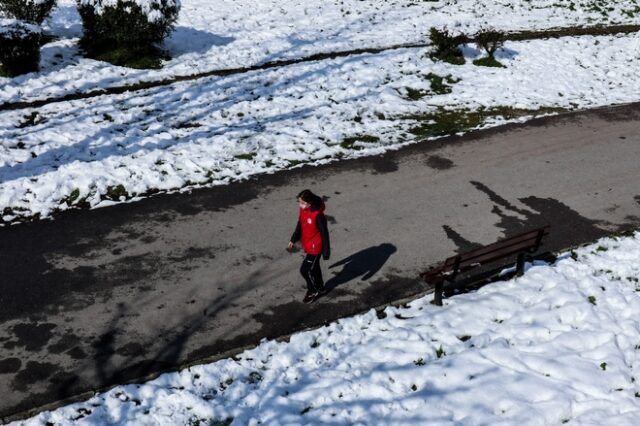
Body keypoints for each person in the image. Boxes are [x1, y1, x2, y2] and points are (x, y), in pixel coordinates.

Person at [288, 189, 330, 303]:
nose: (300, 205)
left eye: (302, 202)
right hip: (308, 243)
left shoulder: (318, 215)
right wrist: (293, 238)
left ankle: (312, 290)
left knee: (305, 270)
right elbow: (300, 224)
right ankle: (321, 288)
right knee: (315, 268)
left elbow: (325, 234)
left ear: (309, 203)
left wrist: (326, 252)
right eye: (299, 202)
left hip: (316, 248)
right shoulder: (304, 210)